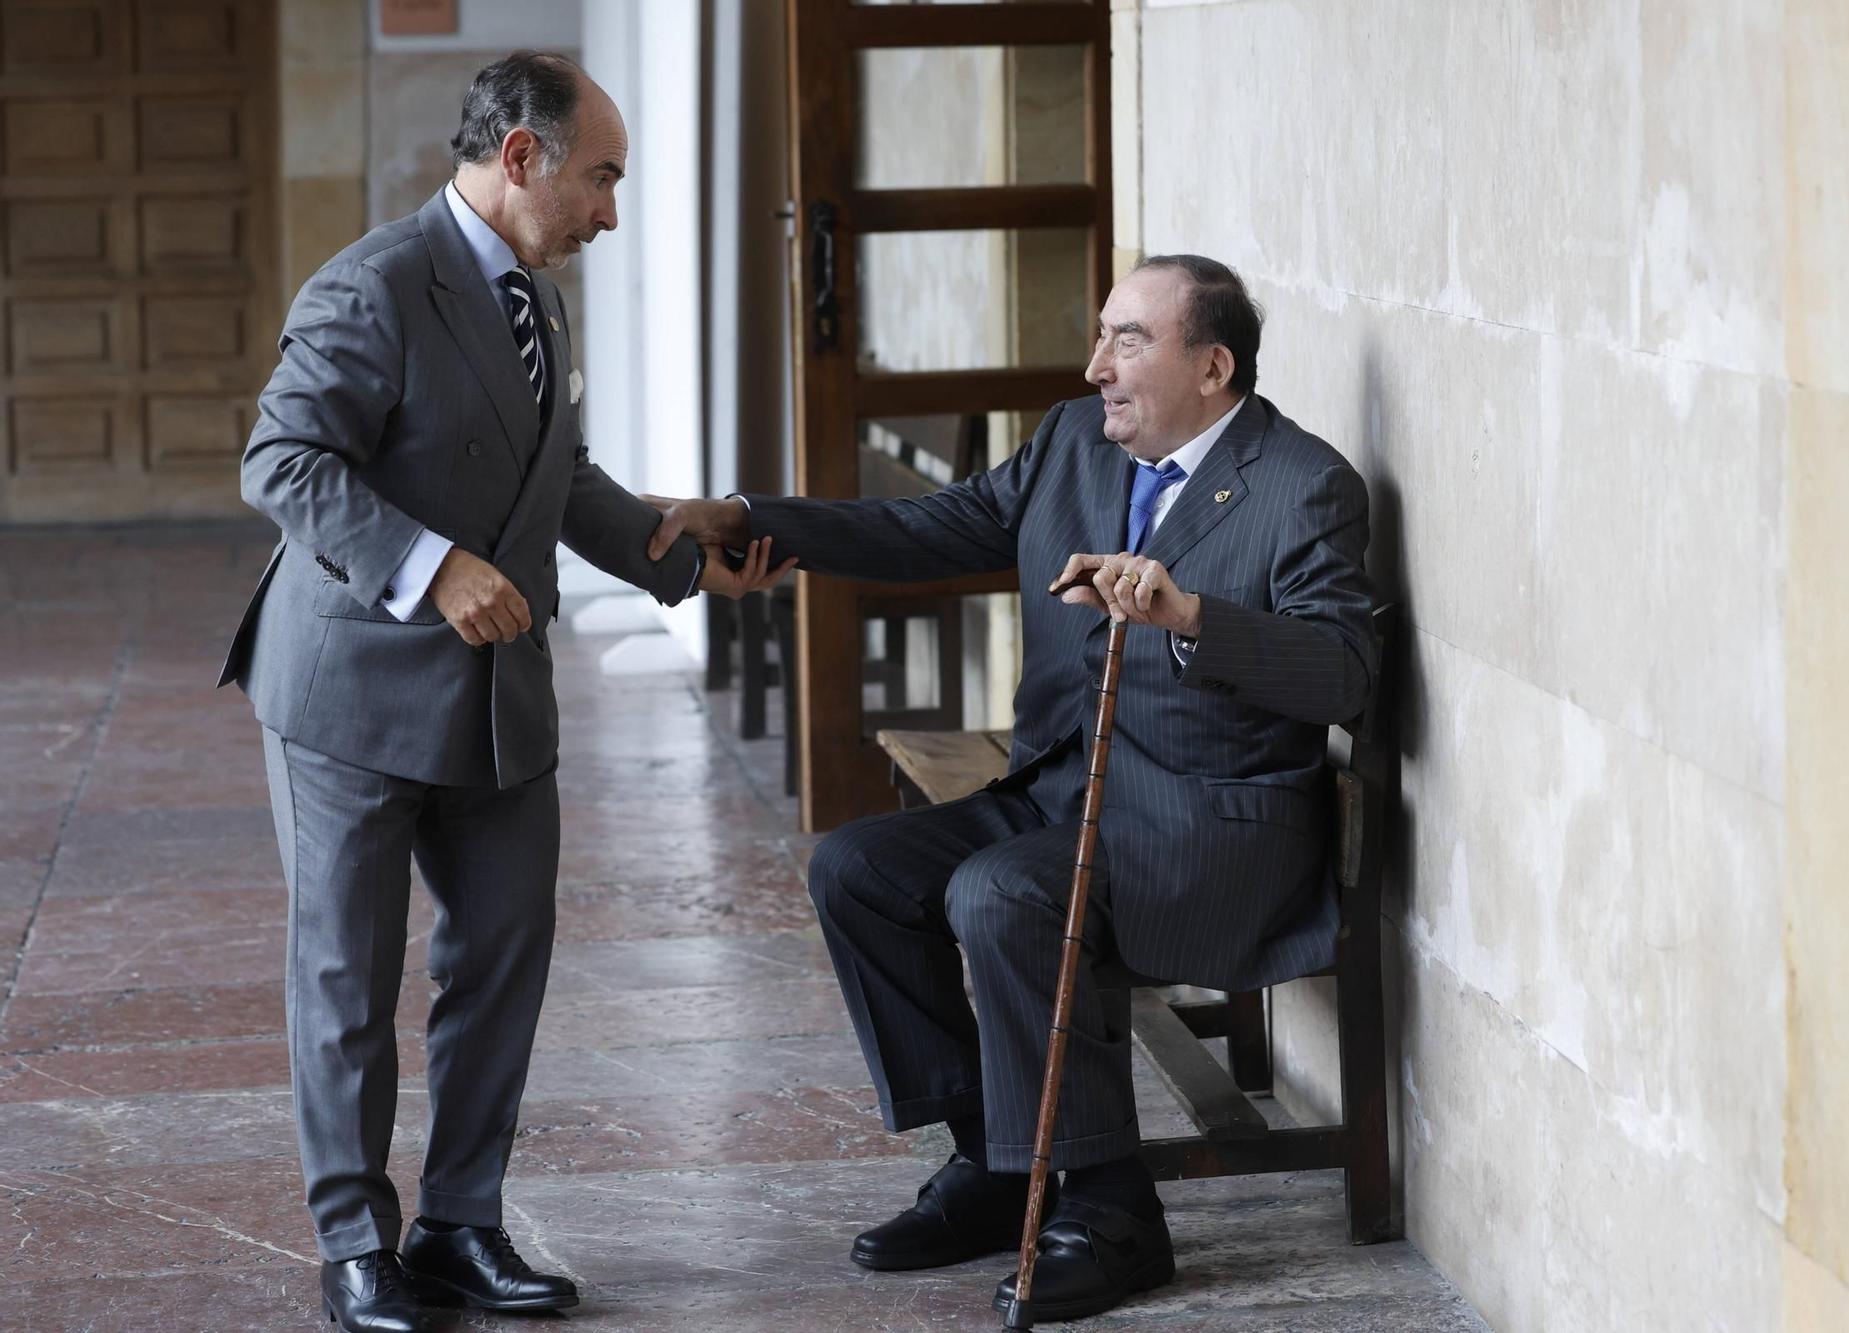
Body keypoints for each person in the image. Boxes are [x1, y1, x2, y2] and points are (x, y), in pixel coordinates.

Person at [648, 254, 1378, 1321]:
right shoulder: (1075, 443)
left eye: (1128, 340)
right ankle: (998, 1164)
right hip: (1059, 790)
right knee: (857, 869)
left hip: (1211, 831)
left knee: (1004, 893)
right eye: (1099, 336)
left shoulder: (1300, 484)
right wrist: (752, 518)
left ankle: (1110, 1216)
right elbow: (928, 529)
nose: (1096, 367)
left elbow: (1345, 670)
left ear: (1213, 364)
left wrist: (1190, 619)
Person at [217, 52, 788, 1333]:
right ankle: (356, 1249)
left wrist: (685, 560)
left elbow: (559, 479)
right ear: (520, 158)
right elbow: (282, 459)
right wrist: (431, 569)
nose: (611, 212)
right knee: (348, 979)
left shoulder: (536, 293)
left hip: (496, 698)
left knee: (500, 962)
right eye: (601, 177)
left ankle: (462, 1224)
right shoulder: (372, 285)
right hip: (349, 694)